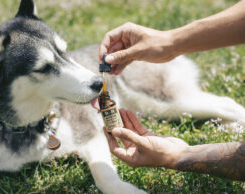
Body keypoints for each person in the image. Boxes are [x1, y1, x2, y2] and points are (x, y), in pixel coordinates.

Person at [99, 0, 245, 181]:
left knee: (174, 104)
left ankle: (233, 112)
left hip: (144, 78)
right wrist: (169, 41)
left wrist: (178, 156)